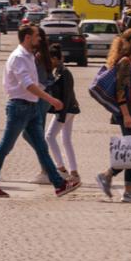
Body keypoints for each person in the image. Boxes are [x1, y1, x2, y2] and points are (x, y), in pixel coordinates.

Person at [0, 24, 80, 198]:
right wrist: (50, 99)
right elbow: (27, 85)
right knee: (6, 146)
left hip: (31, 107)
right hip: (19, 107)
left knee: (42, 147)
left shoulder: (28, 56)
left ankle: (59, 185)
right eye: (36, 36)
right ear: (27, 37)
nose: (40, 39)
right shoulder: (19, 57)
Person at [95, 27, 131, 202]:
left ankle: (126, 187)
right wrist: (126, 114)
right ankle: (111, 177)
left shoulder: (130, 62)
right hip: (128, 112)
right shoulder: (125, 62)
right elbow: (120, 91)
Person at [44, 44, 81, 186]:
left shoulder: (63, 72)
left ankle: (61, 168)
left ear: (54, 58)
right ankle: (74, 171)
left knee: (49, 136)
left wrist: (61, 115)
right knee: (66, 139)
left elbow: (66, 95)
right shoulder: (59, 71)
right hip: (69, 109)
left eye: (50, 59)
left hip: (66, 110)